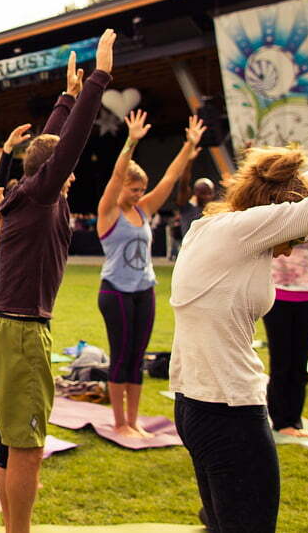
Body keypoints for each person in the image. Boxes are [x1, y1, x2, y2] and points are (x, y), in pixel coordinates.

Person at [0, 29, 116, 533]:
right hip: (19, 334)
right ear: (53, 172)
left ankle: (13, 529)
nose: (72, 173)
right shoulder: (39, 196)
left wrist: (66, 96)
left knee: (7, 444)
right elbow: (66, 147)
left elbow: (49, 145)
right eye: (64, 169)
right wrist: (99, 79)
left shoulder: (24, 193)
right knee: (28, 448)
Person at [171, 147, 308, 533]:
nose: (291, 249)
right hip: (229, 410)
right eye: (297, 237)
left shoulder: (213, 229)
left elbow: (299, 193)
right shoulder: (243, 232)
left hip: (196, 405)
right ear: (274, 211)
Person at [95, 109, 205, 437]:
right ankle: (119, 423)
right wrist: (130, 141)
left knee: (137, 358)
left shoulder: (143, 210)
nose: (138, 194)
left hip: (144, 289)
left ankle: (132, 420)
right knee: (121, 356)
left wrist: (188, 146)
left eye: (141, 189)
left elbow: (170, 180)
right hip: (115, 291)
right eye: (133, 189)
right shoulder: (108, 212)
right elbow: (116, 177)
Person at [266, 222, 308, 438]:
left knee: (300, 363)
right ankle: (280, 419)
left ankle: (294, 420)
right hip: (279, 294)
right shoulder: (286, 215)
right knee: (281, 361)